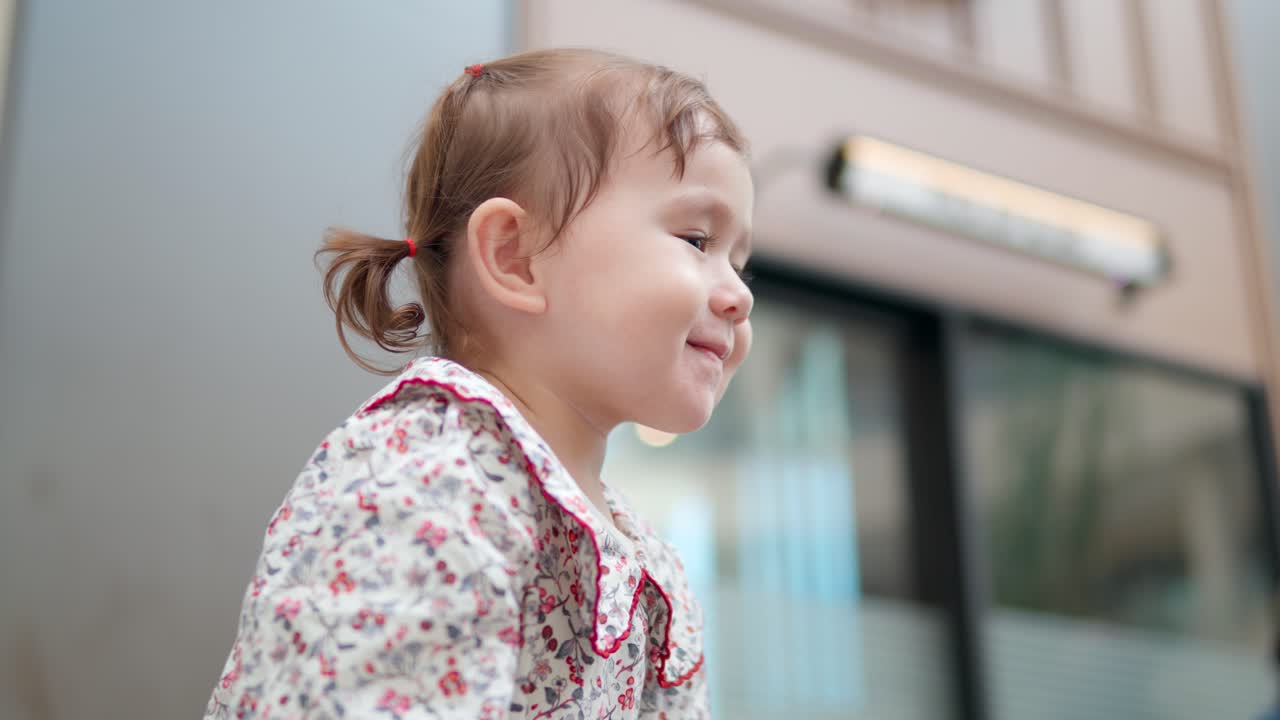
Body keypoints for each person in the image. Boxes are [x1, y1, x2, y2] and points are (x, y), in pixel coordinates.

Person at [203, 48, 754, 719]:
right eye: (697, 240)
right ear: (515, 257)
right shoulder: (425, 478)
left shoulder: (650, 567)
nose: (739, 295)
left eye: (740, 259)